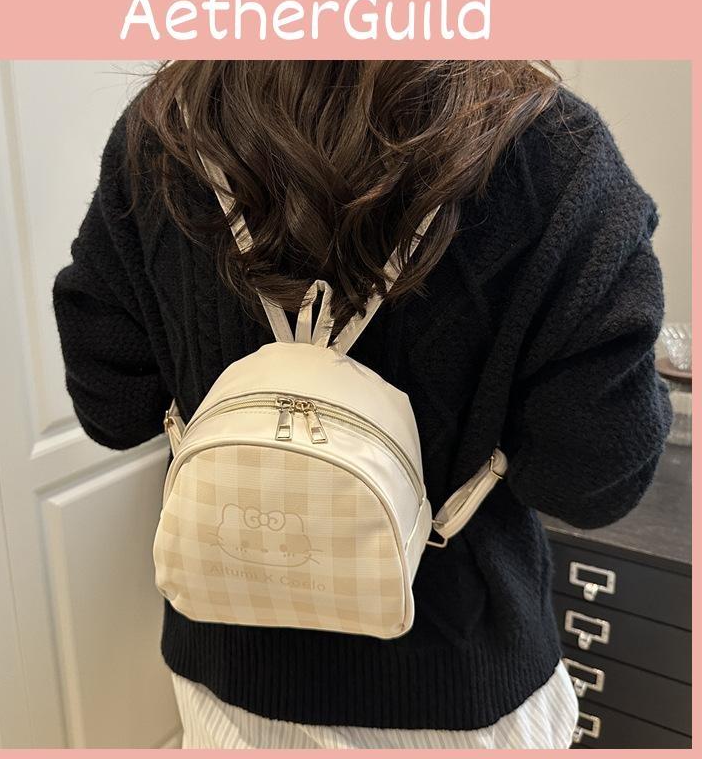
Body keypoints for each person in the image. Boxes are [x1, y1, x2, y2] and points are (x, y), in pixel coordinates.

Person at [52, 61, 672, 748]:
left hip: (228, 689)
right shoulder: (553, 145)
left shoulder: (164, 132)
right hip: (464, 691)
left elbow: (112, 407)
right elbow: (591, 479)